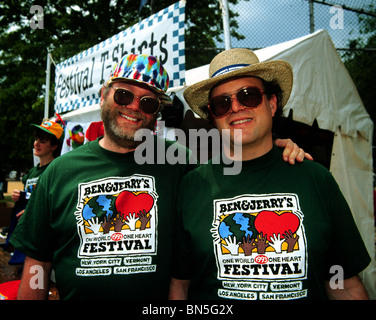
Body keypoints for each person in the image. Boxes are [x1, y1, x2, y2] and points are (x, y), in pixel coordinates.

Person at [10, 53, 307, 300]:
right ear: (104, 95)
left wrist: (278, 151)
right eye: (124, 94)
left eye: (148, 102)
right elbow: (39, 263)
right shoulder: (60, 172)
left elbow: (237, 174)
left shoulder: (179, 163)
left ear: (156, 114)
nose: (134, 108)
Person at [169, 48, 371, 300]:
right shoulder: (192, 185)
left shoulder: (316, 179)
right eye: (222, 103)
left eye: (249, 96)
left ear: (272, 103)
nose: (236, 108)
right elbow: (181, 285)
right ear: (213, 116)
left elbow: (343, 282)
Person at [4, 120, 63, 264]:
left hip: (43, 238)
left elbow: (57, 202)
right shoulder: (32, 172)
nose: (36, 144)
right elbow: (29, 196)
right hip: (27, 235)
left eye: (42, 141)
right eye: (36, 139)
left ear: (54, 146)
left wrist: (32, 212)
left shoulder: (57, 170)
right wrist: (18, 196)